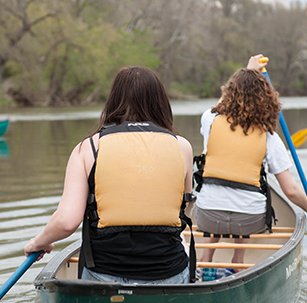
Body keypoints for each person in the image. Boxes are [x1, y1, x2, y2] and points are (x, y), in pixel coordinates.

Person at [24, 66, 195, 284]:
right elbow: (183, 206)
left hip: (103, 275)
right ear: (160, 101)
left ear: (113, 100)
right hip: (168, 272)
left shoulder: (87, 149)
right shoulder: (182, 147)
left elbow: (66, 222)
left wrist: (38, 243)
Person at [194, 55, 307, 279]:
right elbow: (291, 190)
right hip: (249, 219)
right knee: (247, 201)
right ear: (266, 99)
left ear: (229, 92)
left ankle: (206, 259)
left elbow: (220, 104)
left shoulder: (210, 119)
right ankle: (238, 262)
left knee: (215, 199)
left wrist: (247, 71)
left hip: (208, 215)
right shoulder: (269, 136)